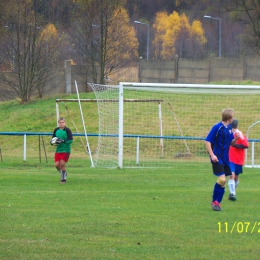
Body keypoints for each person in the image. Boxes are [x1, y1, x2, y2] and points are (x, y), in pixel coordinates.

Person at [205, 109, 239, 211]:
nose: (233, 118)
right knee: (222, 179)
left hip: (225, 159)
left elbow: (231, 143)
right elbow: (207, 141)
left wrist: (236, 139)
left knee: (223, 182)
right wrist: (212, 155)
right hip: (217, 158)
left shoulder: (229, 128)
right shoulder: (217, 127)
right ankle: (214, 201)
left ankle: (217, 203)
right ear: (229, 118)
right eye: (232, 117)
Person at [228, 119, 249, 201]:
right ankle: (233, 194)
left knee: (236, 178)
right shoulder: (228, 133)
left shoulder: (239, 134)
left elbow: (246, 145)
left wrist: (234, 145)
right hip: (230, 159)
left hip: (239, 160)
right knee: (231, 175)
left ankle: (232, 192)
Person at [51, 117, 73, 183]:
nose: (61, 124)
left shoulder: (67, 130)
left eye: (63, 122)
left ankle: (63, 178)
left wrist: (63, 141)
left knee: (62, 164)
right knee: (57, 165)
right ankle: (64, 173)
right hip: (58, 150)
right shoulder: (56, 130)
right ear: (58, 123)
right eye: (60, 122)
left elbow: (70, 140)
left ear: (65, 123)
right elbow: (53, 138)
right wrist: (53, 142)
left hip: (66, 150)